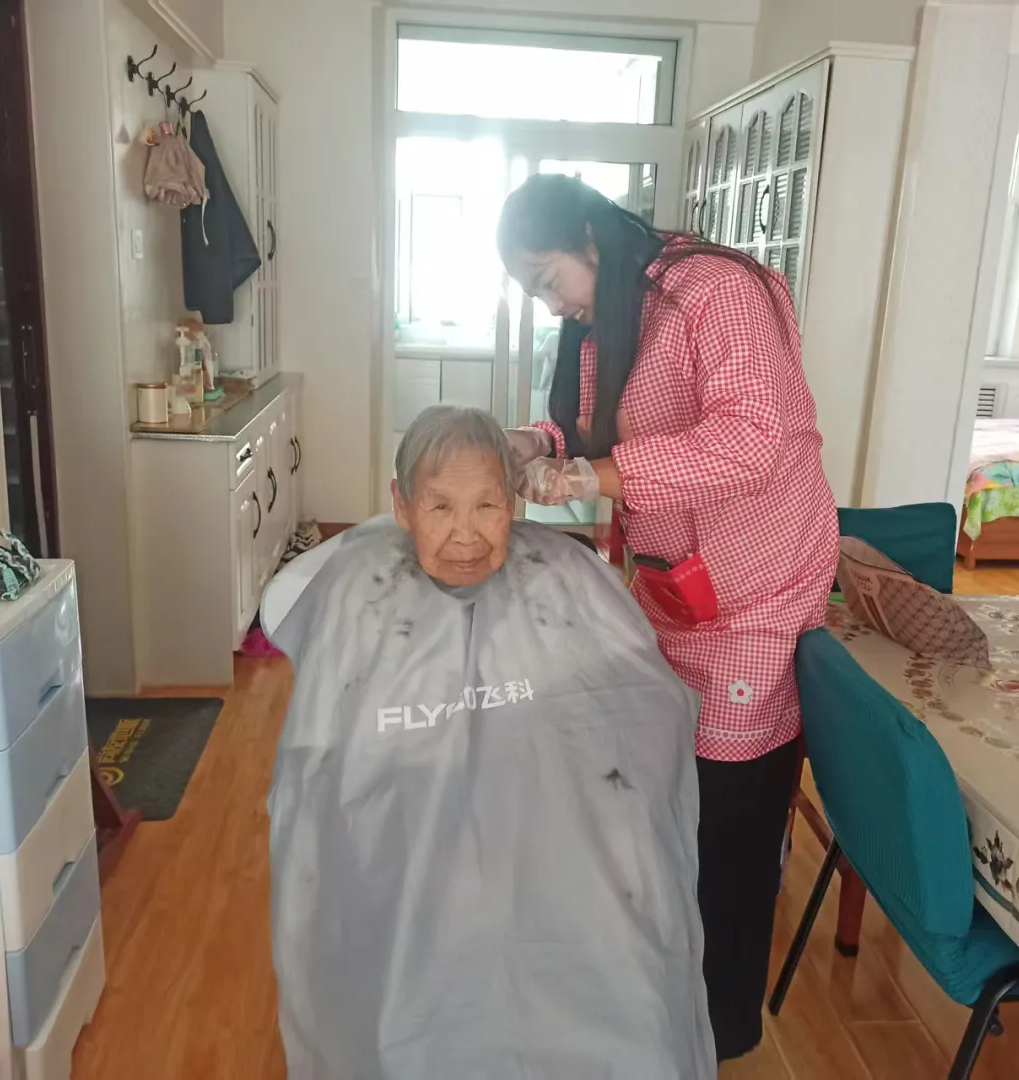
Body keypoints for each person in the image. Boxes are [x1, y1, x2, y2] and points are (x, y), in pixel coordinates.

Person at [264, 406, 717, 1080]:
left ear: (515, 504)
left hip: (551, 853)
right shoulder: (362, 599)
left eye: (488, 505)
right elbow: (321, 781)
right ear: (401, 505)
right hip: (413, 868)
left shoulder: (567, 582)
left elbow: (640, 715)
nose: (466, 534)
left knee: (623, 970)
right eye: (440, 506)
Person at [497, 175, 840, 1063]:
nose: (551, 304)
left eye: (547, 280)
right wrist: (541, 442)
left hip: (757, 589)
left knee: (733, 815)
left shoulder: (715, 293)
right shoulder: (608, 313)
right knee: (676, 797)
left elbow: (751, 439)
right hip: (680, 590)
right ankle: (667, 984)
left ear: (590, 238)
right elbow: (589, 423)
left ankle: (721, 1028)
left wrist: (598, 478)